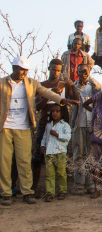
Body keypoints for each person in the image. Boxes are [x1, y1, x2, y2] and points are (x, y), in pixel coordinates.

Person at [0, 57, 77, 206]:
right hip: (6, 127)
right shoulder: (2, 83)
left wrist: (62, 100)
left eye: (26, 70)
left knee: (25, 160)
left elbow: (47, 93)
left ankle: (27, 192)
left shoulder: (31, 83)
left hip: (23, 127)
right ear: (14, 68)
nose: (24, 72)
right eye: (22, 69)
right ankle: (6, 193)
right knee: (5, 161)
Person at [33, 59, 76, 196]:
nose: (56, 72)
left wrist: (71, 86)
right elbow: (37, 107)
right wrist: (50, 93)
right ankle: (35, 188)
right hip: (45, 123)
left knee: (62, 155)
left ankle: (63, 189)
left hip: (62, 125)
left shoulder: (64, 84)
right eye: (53, 69)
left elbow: (75, 100)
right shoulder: (42, 85)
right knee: (39, 156)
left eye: (58, 70)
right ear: (48, 68)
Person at [70, 63, 102, 195]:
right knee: (79, 154)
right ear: (76, 72)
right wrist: (81, 83)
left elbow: (100, 92)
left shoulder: (94, 85)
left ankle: (91, 184)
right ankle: (79, 184)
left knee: (92, 155)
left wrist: (90, 79)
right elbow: (74, 95)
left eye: (86, 71)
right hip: (79, 124)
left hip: (92, 124)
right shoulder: (75, 85)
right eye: (81, 71)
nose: (83, 73)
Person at [40, 104, 71, 202]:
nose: (55, 113)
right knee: (49, 174)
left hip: (60, 153)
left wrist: (57, 134)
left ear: (62, 114)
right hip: (49, 153)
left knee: (61, 173)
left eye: (57, 111)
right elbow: (45, 136)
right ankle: (50, 192)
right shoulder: (48, 125)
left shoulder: (65, 125)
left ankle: (63, 191)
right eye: (53, 111)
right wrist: (42, 145)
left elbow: (67, 137)